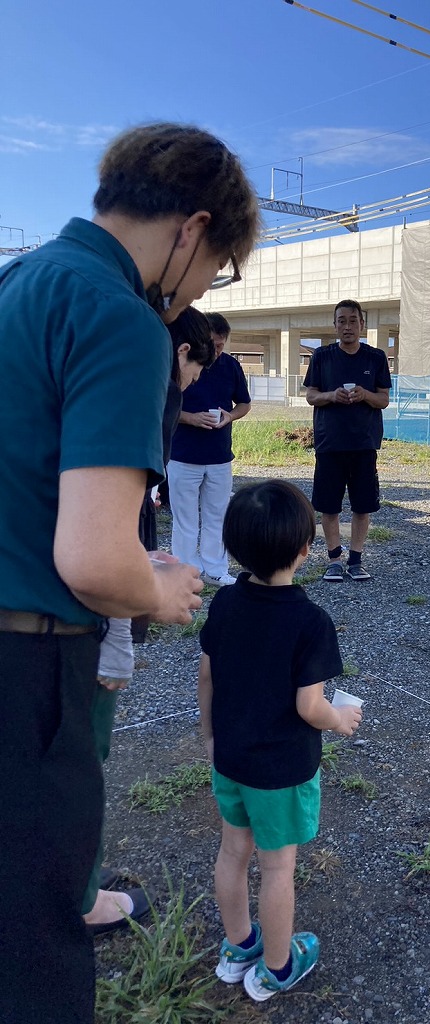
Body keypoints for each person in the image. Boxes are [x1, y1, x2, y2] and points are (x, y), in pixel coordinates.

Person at [0, 122, 259, 1024]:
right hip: (27, 667)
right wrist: (161, 586)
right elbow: (94, 561)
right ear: (192, 229)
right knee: (32, 948)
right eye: (216, 266)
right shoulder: (118, 314)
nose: (197, 292)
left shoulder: (19, 280)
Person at [198, 480, 362, 1003]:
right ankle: (277, 965)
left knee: (232, 852)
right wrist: (339, 718)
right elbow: (308, 706)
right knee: (277, 867)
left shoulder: (224, 603)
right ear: (304, 550)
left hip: (230, 758)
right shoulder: (310, 622)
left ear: (233, 547)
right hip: (280, 771)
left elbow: (207, 677)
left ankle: (239, 945)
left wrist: (209, 737)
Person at [84, 309, 215, 935]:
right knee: (80, 755)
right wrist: (130, 618)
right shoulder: (149, 384)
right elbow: (102, 530)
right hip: (80, 617)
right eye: (195, 368)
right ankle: (80, 896)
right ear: (181, 352)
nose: (189, 384)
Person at [303, 299, 392, 581]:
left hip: (364, 443)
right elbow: (311, 395)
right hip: (330, 442)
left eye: (353, 320)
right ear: (335, 325)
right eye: (342, 321)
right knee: (328, 505)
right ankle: (334, 559)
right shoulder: (322, 356)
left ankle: (356, 559)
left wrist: (365, 395)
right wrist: (332, 395)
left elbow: (384, 400)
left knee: (362, 505)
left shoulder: (376, 357)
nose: (348, 326)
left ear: (362, 324)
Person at [168, 312, 252, 587]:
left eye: (221, 345)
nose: (216, 351)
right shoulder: (180, 363)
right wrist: (191, 418)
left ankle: (216, 570)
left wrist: (230, 416)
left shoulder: (230, 366)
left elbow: (244, 404)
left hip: (219, 455)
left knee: (217, 515)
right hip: (182, 454)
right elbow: (163, 404)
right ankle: (185, 572)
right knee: (185, 519)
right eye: (213, 344)